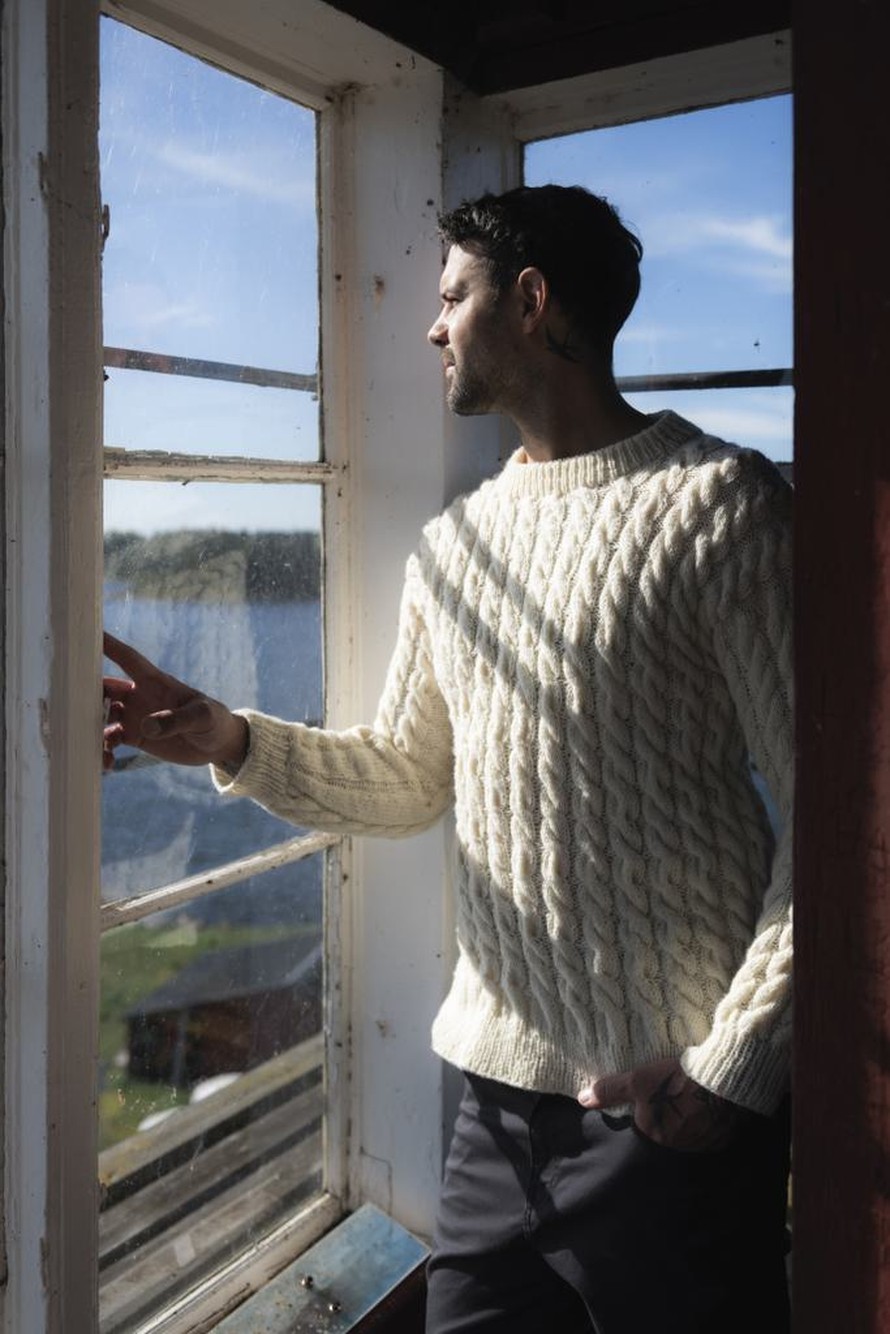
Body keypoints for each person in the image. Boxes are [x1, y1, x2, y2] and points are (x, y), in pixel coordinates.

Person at [104, 185, 792, 1334]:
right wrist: (230, 739)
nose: (430, 328)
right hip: (493, 1121)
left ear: (529, 301)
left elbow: (836, 816)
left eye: (450, 296)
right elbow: (405, 775)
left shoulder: (720, 506)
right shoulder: (458, 545)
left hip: (668, 1110)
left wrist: (732, 1066)